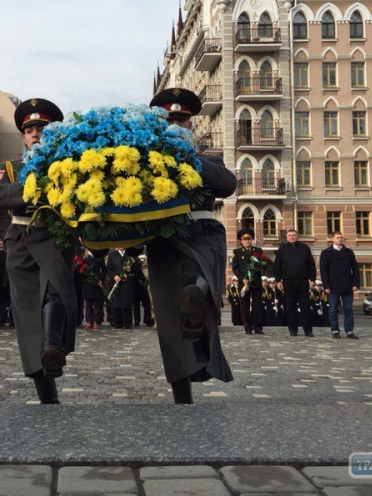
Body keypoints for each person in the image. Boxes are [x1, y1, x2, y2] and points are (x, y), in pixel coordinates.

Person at [147, 87, 236, 403]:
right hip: (164, 243)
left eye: (182, 118)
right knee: (171, 325)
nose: (176, 123)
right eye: (170, 118)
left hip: (202, 234)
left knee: (198, 282)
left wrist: (190, 160)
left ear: (191, 123)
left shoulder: (208, 158)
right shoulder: (146, 161)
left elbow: (227, 184)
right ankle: (181, 398)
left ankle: (196, 296)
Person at [0, 97, 76, 405]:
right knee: (28, 320)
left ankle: (53, 346)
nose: (37, 133)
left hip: (55, 234)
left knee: (56, 293)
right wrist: (31, 189)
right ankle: (47, 395)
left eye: (43, 128)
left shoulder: (68, 165)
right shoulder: (10, 167)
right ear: (23, 136)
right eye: (31, 129)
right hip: (21, 239)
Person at [274, 228, 317, 337]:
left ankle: (308, 330)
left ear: (297, 236)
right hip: (288, 281)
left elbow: (311, 264)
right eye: (290, 236)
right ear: (287, 237)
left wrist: (312, 279)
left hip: (303, 281)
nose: (292, 237)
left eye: (294, 235)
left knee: (305, 306)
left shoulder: (304, 248)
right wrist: (278, 280)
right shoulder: (282, 249)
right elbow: (277, 266)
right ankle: (293, 329)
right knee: (290, 306)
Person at [319, 231, 360, 339]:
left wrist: (356, 283)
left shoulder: (348, 252)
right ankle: (335, 330)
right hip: (332, 286)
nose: (340, 239)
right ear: (332, 239)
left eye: (341, 237)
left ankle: (349, 331)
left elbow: (355, 268)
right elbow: (324, 271)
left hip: (347, 285)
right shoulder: (326, 253)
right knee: (333, 309)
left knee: (348, 309)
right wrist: (326, 286)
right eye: (338, 237)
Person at [232, 228, 265, 335]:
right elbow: (235, 268)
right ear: (241, 241)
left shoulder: (258, 251)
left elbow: (263, 264)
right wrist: (242, 278)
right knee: (244, 305)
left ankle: (258, 326)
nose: (247, 241)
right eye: (245, 239)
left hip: (255, 282)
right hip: (244, 283)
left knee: (257, 304)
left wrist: (259, 267)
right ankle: (247, 326)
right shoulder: (237, 252)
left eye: (249, 239)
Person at [106, 247, 138, 329]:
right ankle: (118, 323)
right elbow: (109, 268)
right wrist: (114, 276)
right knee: (117, 302)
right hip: (117, 282)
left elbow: (135, 267)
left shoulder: (130, 254)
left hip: (127, 282)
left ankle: (128, 323)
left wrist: (130, 269)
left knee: (127, 302)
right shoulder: (112, 254)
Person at [80, 249, 105, 329]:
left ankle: (95, 321)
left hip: (97, 283)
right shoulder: (84, 257)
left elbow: (105, 270)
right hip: (87, 283)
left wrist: (100, 279)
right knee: (88, 303)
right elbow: (80, 270)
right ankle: (88, 321)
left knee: (97, 303)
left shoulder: (99, 257)